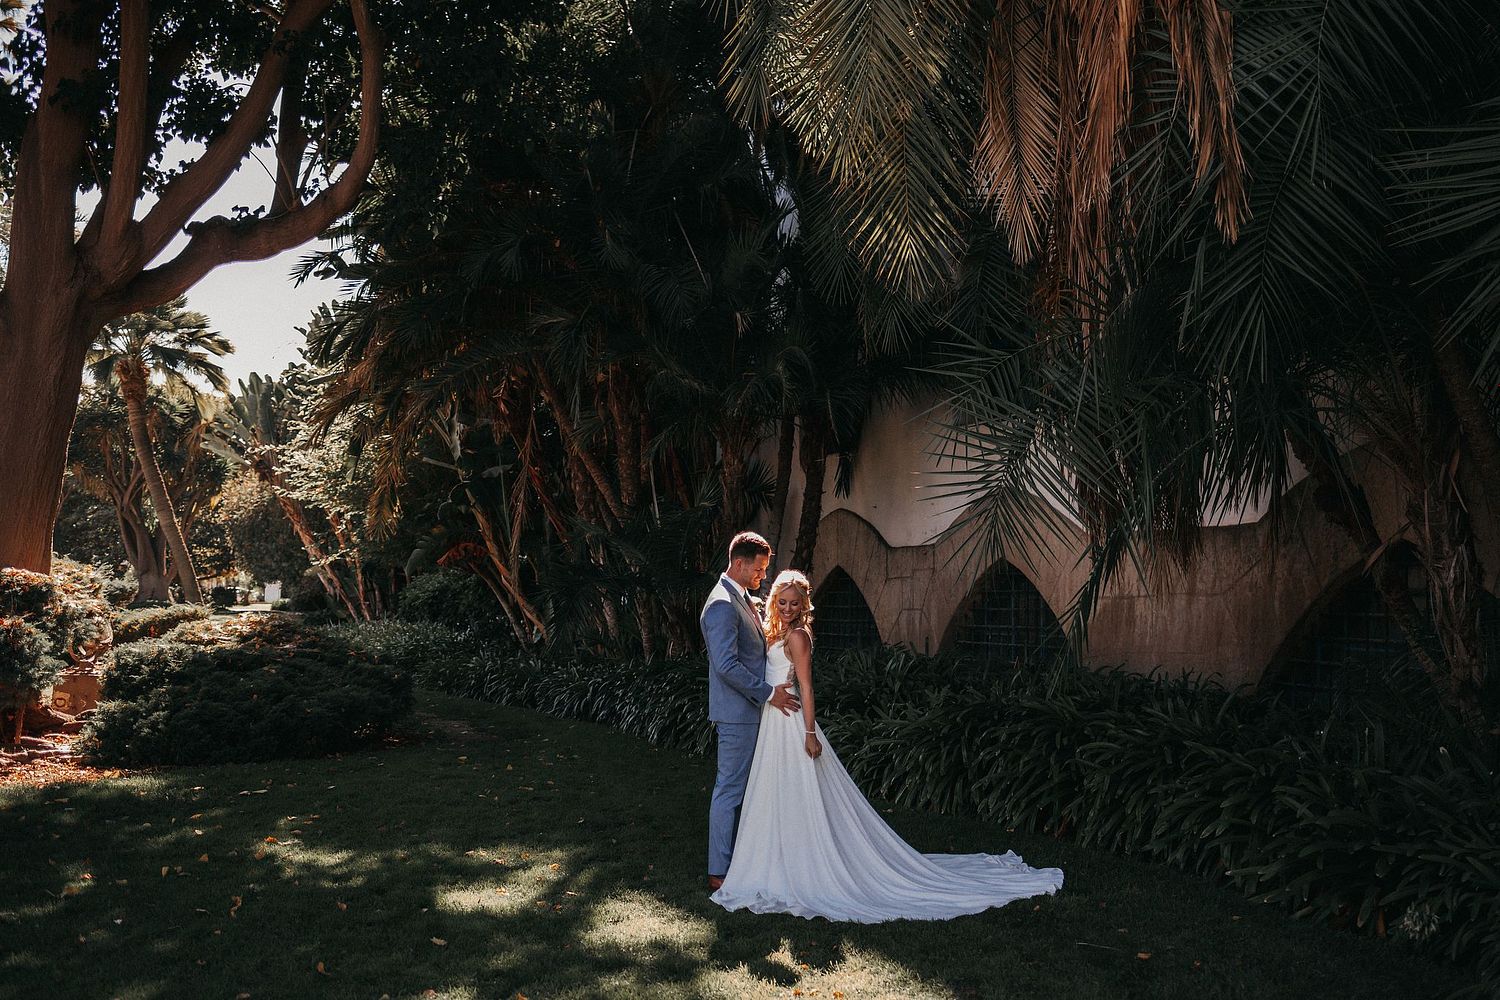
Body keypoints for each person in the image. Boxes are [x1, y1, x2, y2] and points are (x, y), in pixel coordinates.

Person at [710, 569, 1064, 922]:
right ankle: (775, 859)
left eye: (794, 604)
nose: (787, 608)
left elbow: (807, 687)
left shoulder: (798, 637)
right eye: (782, 602)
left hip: (790, 722)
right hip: (771, 720)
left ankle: (802, 864)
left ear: (804, 606)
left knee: (796, 795)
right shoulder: (775, 631)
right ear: (775, 602)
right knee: (774, 793)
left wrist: (810, 733)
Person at [700, 531, 800, 892]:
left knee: (747, 788)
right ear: (739, 563)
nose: (762, 576)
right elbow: (726, 665)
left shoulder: (740, 597)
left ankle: (748, 859)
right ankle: (719, 871)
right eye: (758, 569)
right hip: (738, 714)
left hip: (751, 710)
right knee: (730, 790)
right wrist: (769, 692)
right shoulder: (721, 605)